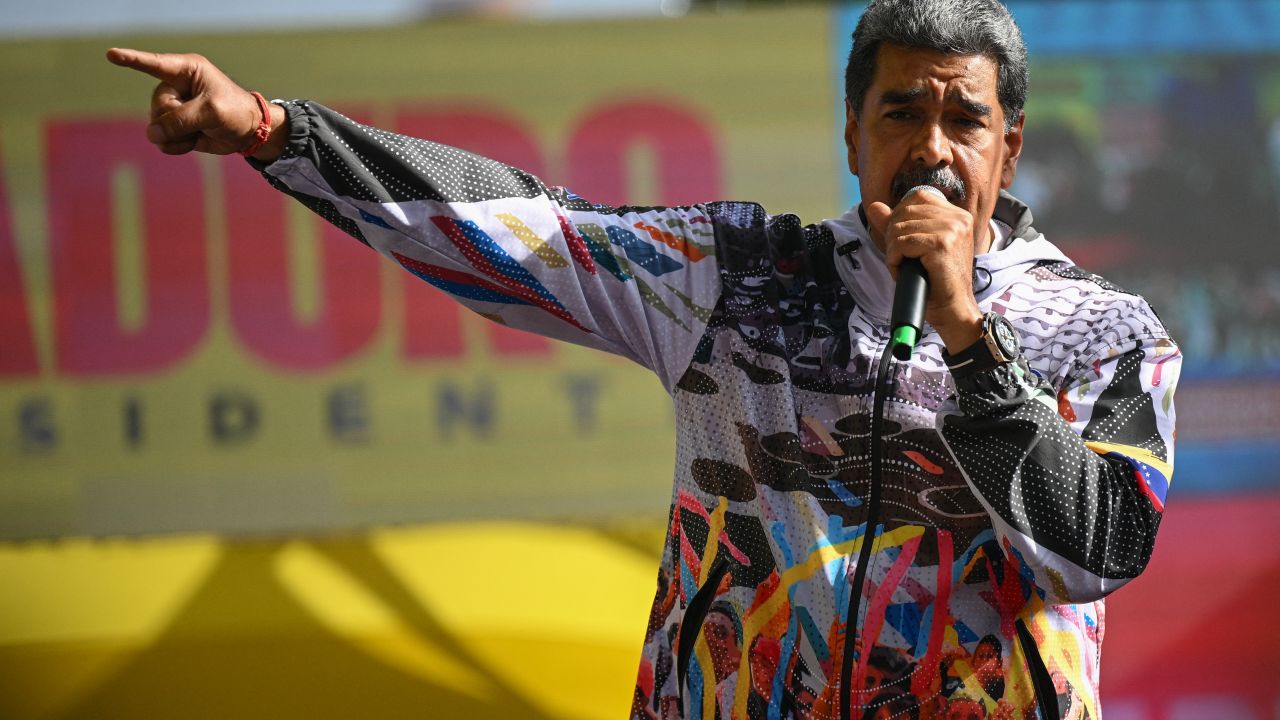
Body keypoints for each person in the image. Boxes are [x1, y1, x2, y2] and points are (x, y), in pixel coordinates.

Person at [107, 0, 1179, 718]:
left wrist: (964, 339)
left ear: (1011, 146)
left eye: (964, 118)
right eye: (900, 111)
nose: (932, 147)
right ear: (851, 136)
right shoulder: (739, 276)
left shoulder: (1104, 334)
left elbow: (1097, 550)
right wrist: (274, 130)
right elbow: (524, 229)